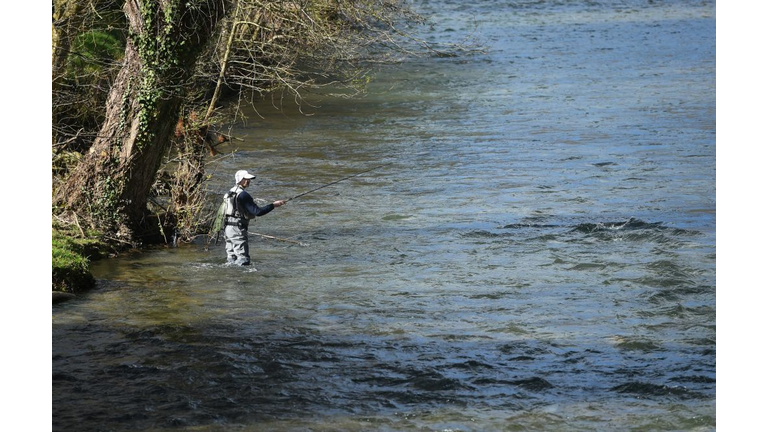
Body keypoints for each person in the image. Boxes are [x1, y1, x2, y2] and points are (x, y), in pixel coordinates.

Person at [224, 170, 286, 265]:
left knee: (231, 259)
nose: (247, 181)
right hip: (237, 229)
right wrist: (273, 205)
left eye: (248, 179)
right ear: (239, 180)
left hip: (227, 229)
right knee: (243, 260)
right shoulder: (243, 195)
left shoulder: (228, 193)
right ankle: (242, 278)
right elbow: (258, 212)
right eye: (245, 179)